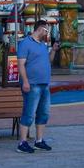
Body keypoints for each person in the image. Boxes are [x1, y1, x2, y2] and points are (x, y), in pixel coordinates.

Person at [16, 20, 59, 154]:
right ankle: (22, 143)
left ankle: (39, 141)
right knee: (28, 114)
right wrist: (25, 82)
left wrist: (53, 50)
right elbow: (21, 65)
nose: (47, 33)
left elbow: (48, 61)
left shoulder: (42, 45)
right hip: (32, 84)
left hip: (44, 84)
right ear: (40, 29)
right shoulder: (25, 43)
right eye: (46, 30)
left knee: (43, 113)